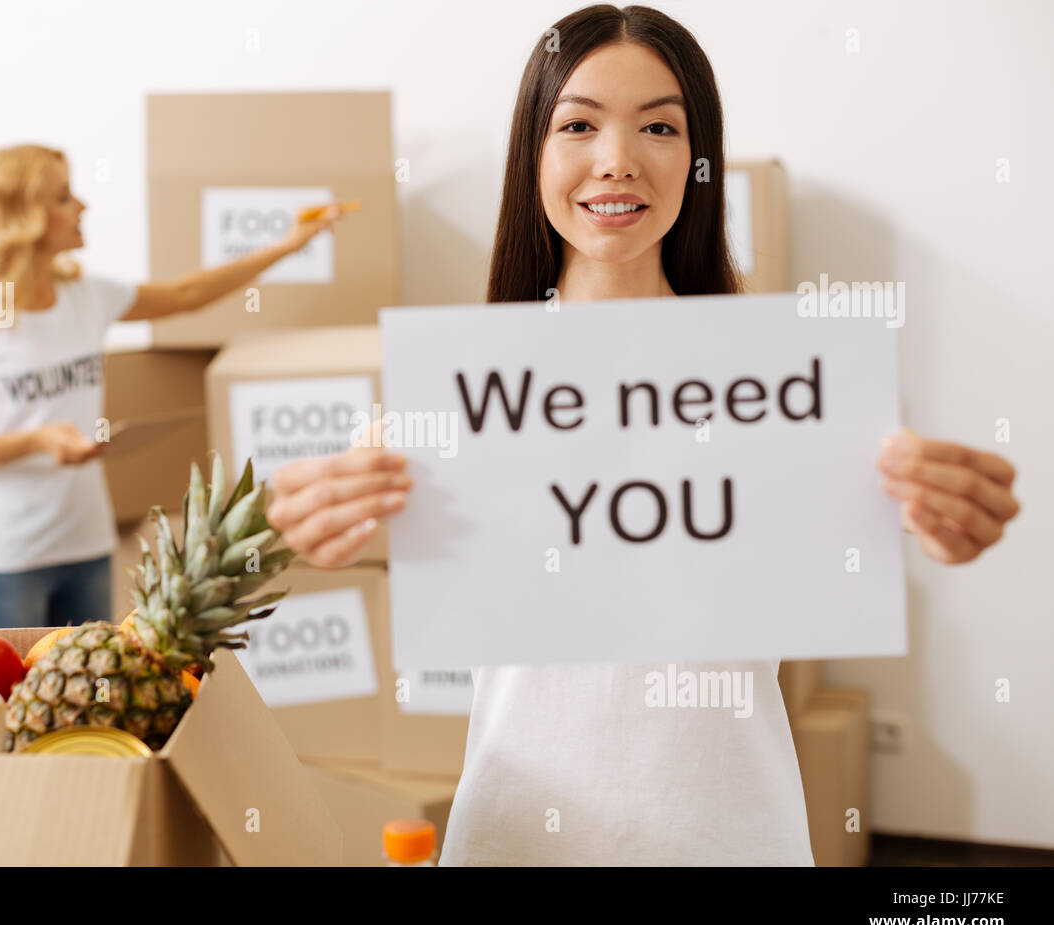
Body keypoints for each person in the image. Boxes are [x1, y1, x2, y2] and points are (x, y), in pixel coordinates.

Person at [263, 4, 1021, 865]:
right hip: (516, 841)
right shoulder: (449, 398)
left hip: (735, 839)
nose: (617, 160)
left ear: (699, 162)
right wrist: (312, 531)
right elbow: (332, 546)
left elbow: (891, 527)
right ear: (534, 157)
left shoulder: (788, 386)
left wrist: (944, 517)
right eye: (578, 124)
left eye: (659, 126)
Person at [0, 143, 341, 629]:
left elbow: (188, 295)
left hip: (87, 546)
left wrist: (290, 245)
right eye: (63, 197)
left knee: (85, 699)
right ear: (23, 217)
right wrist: (36, 440)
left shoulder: (86, 297)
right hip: (4, 560)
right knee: (12, 702)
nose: (82, 206)